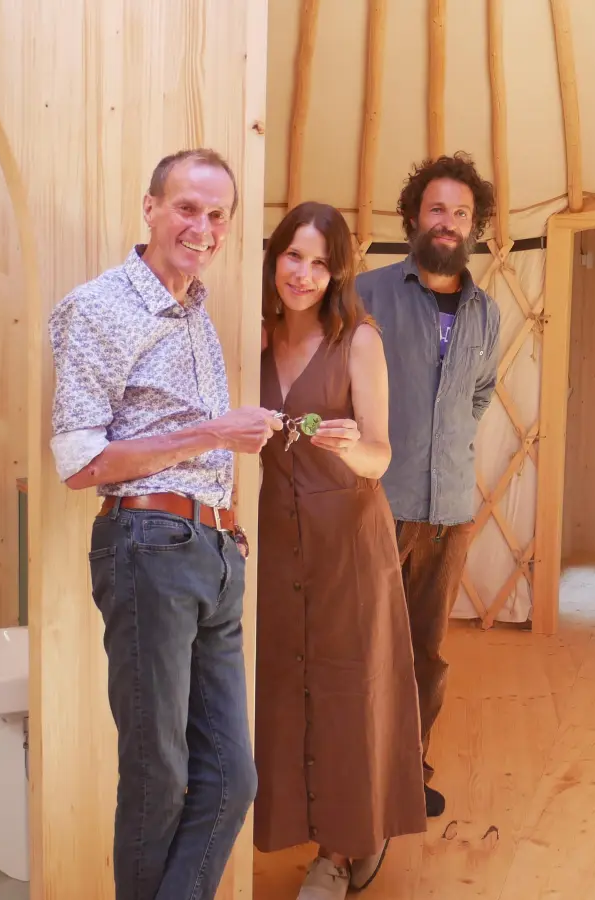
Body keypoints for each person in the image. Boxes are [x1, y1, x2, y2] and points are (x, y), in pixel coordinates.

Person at [48, 148, 278, 900]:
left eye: (217, 216)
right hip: (147, 546)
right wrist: (214, 433)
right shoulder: (102, 307)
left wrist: (230, 530)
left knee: (231, 779)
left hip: (213, 552)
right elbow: (81, 462)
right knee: (160, 773)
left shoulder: (195, 313)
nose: (202, 227)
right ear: (149, 208)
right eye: (187, 208)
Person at [251, 201, 427, 900]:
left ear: (338, 273)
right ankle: (287, 826)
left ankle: (342, 850)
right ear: (274, 259)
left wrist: (352, 447)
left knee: (348, 690)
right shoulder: (253, 337)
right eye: (294, 255)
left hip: (347, 541)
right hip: (273, 539)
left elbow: (382, 455)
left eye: (320, 262)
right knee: (282, 687)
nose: (304, 273)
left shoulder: (359, 340)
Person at [355, 153, 501, 819]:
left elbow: (478, 394)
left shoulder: (486, 313)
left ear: (477, 226)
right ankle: (351, 777)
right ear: (414, 216)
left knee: (426, 654)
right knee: (358, 647)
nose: (447, 223)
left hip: (451, 512)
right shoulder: (368, 293)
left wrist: (445, 452)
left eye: (461, 213)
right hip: (375, 506)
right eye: (436, 209)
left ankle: (407, 768)